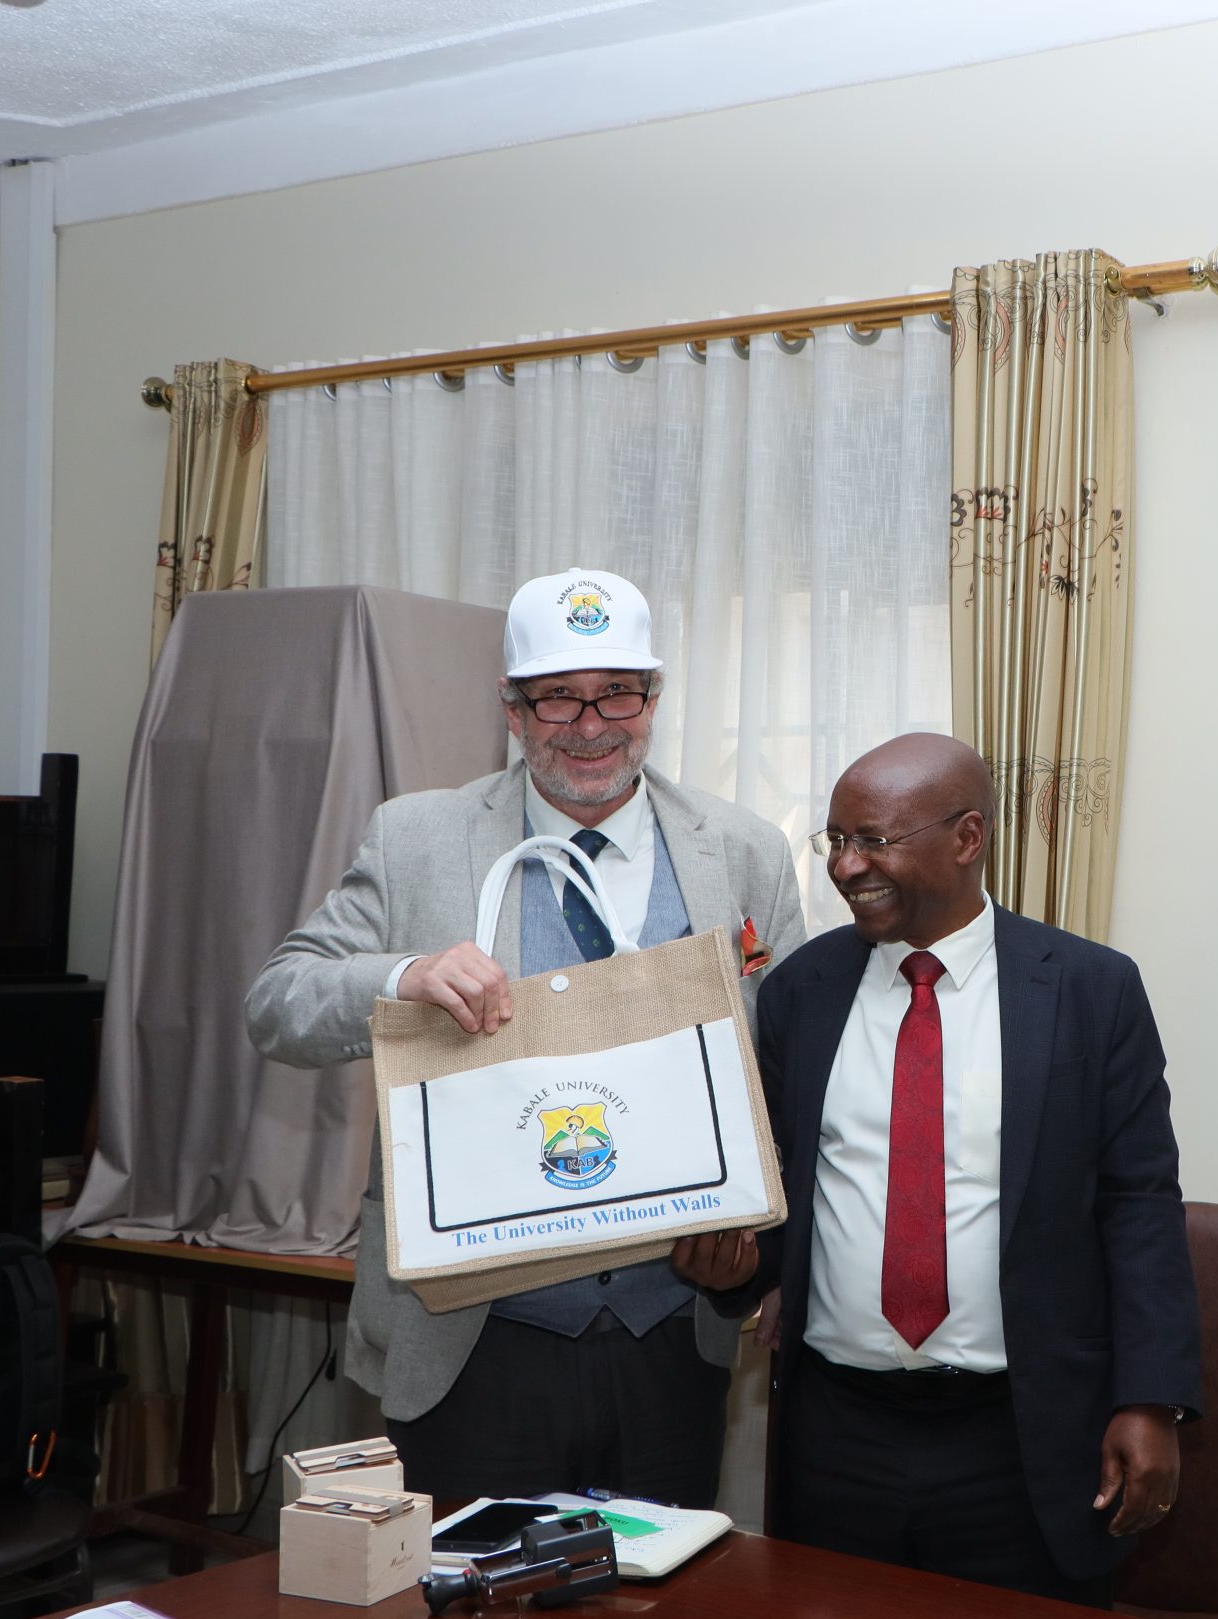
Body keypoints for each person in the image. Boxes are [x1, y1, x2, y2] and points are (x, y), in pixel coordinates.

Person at [245, 567, 804, 1507]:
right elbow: (276, 1001)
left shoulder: (745, 851)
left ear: (653, 700)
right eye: (557, 698)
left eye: (616, 692)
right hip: (473, 1346)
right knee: (468, 1599)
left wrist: (763, 1248)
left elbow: (789, 1073)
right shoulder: (416, 839)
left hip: (671, 1342)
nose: (590, 725)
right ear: (512, 709)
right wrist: (403, 976)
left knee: (661, 1595)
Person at [683, 733, 1200, 1604]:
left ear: (968, 837)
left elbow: (1139, 1202)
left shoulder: (1090, 990)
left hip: (1022, 1434)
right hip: (836, 1433)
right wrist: (736, 1265)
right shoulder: (802, 991)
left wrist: (1152, 1399)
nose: (846, 867)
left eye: (873, 840)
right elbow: (778, 1196)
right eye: (836, 840)